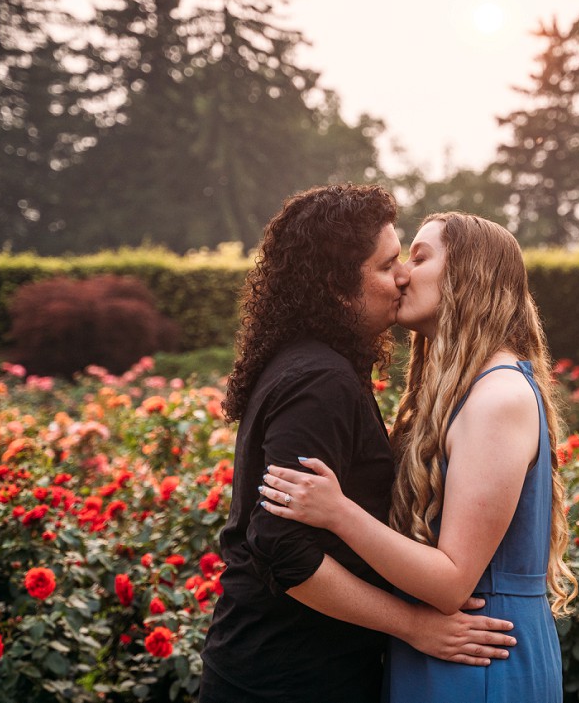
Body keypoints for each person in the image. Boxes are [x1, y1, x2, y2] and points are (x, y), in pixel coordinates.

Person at [198, 187, 517, 703]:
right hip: (287, 680)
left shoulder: (322, 365)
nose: (403, 276)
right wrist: (414, 625)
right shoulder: (319, 380)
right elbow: (284, 550)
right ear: (336, 282)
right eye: (387, 264)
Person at [261, 212, 576, 702]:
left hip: (478, 653)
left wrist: (338, 512)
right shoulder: (469, 390)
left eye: (420, 257)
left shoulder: (498, 398)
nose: (403, 273)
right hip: (445, 645)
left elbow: (452, 583)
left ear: (470, 276)